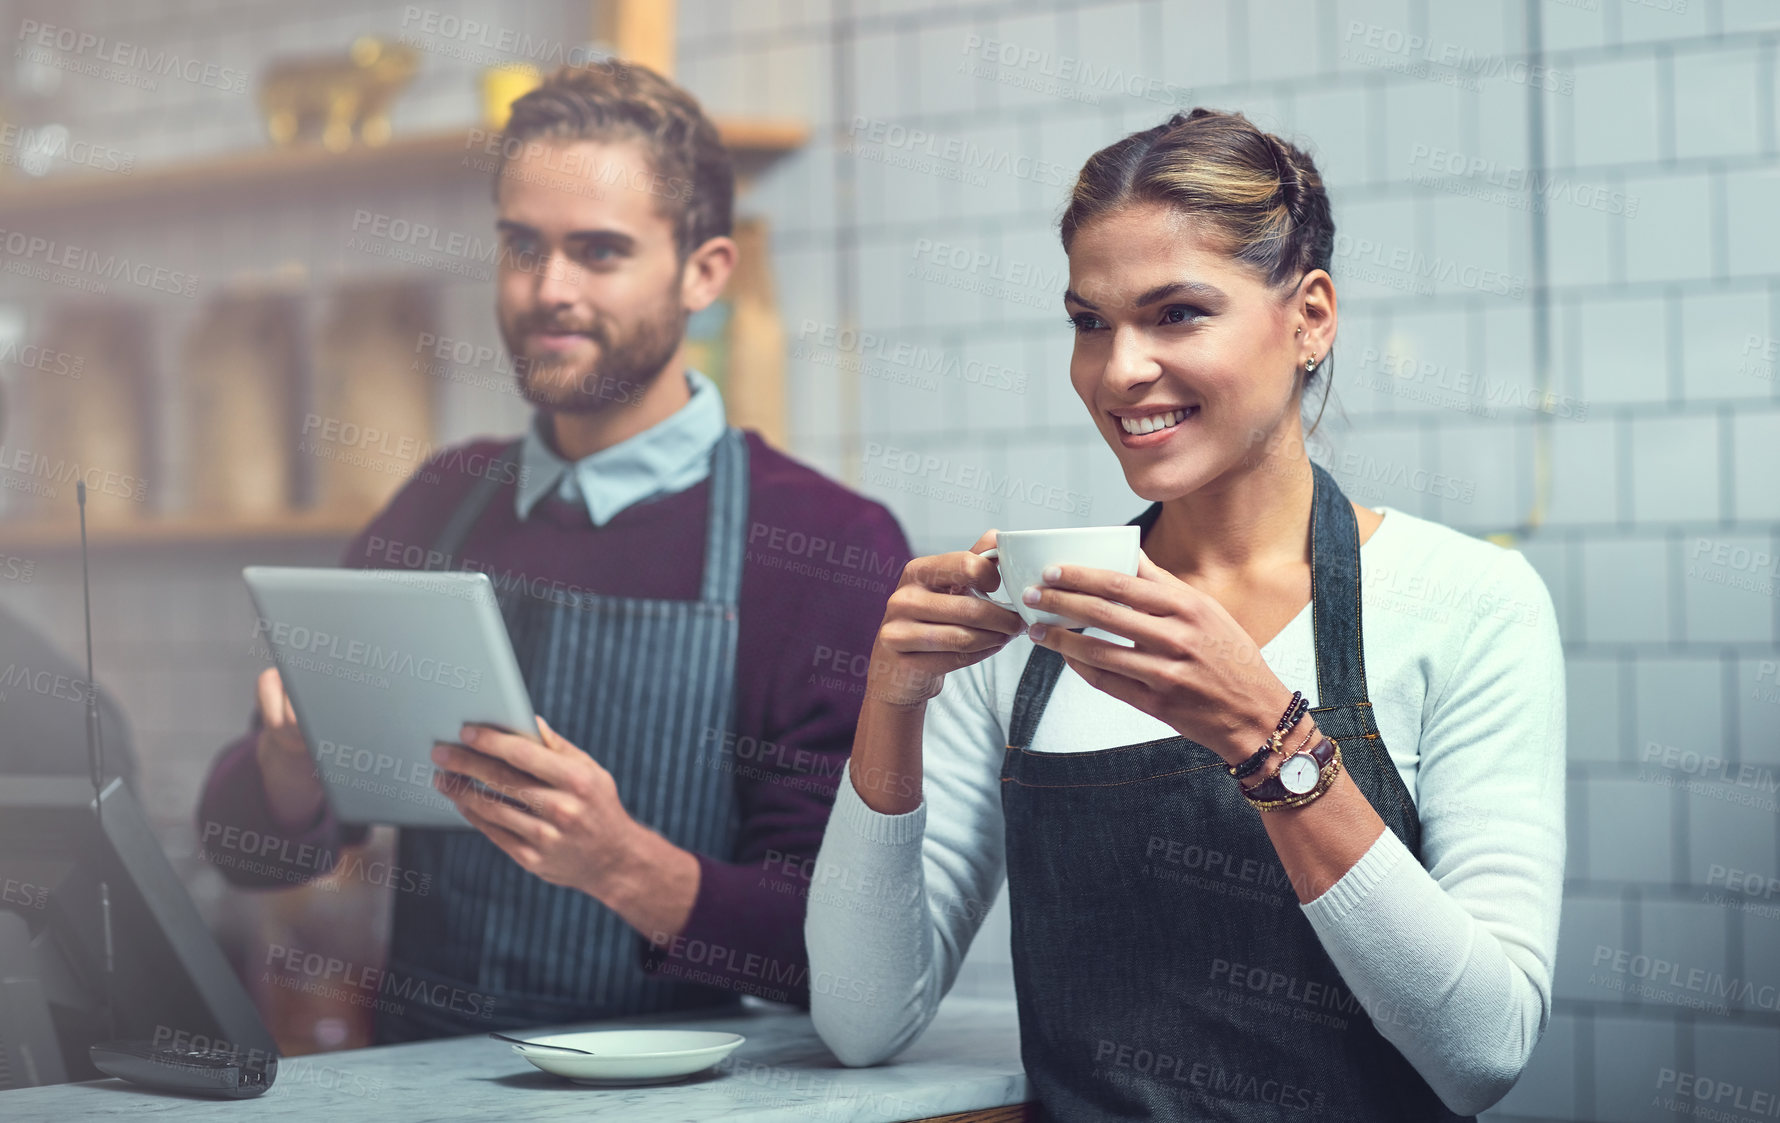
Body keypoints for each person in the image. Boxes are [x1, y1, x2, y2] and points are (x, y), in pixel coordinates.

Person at [806, 108, 1564, 1121]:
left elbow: (1483, 1052)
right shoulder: (1027, 632)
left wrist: (1267, 734)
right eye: (1089, 321)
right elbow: (862, 1021)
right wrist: (892, 702)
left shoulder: (1467, 602)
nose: (1118, 370)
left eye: (1176, 313)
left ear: (1310, 318)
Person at [197, 61, 910, 1043]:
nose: (547, 290)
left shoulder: (827, 545)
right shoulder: (438, 505)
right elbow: (244, 852)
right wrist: (289, 765)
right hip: (420, 1091)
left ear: (704, 271)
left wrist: (617, 862)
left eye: (598, 251)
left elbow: (836, 952)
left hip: (695, 1103)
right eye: (521, 245)